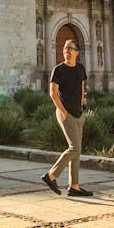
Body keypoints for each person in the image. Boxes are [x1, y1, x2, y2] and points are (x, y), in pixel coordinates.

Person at [41, 39, 93, 197]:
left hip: (78, 113)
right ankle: (51, 176)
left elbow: (82, 85)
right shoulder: (59, 70)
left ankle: (74, 186)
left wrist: (84, 101)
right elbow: (52, 93)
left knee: (77, 151)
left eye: (70, 48)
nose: (67, 51)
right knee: (74, 148)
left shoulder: (80, 68)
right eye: (65, 48)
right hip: (66, 113)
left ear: (77, 52)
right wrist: (63, 111)